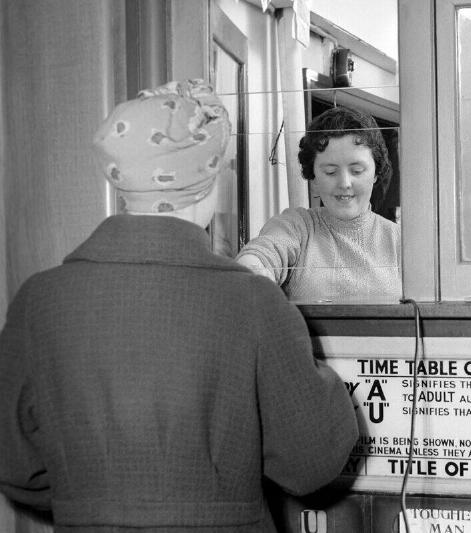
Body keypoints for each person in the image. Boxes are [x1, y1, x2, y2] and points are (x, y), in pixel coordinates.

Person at [0, 80, 358, 532]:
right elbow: (311, 462)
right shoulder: (252, 303)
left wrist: (97, 503)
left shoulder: (40, 300)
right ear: (210, 181)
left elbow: (15, 462)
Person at [236, 106, 401, 302]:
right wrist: (251, 274)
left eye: (357, 171)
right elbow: (260, 256)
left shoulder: (399, 241)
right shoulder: (296, 227)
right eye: (330, 172)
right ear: (313, 178)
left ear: (375, 173)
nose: (344, 183)